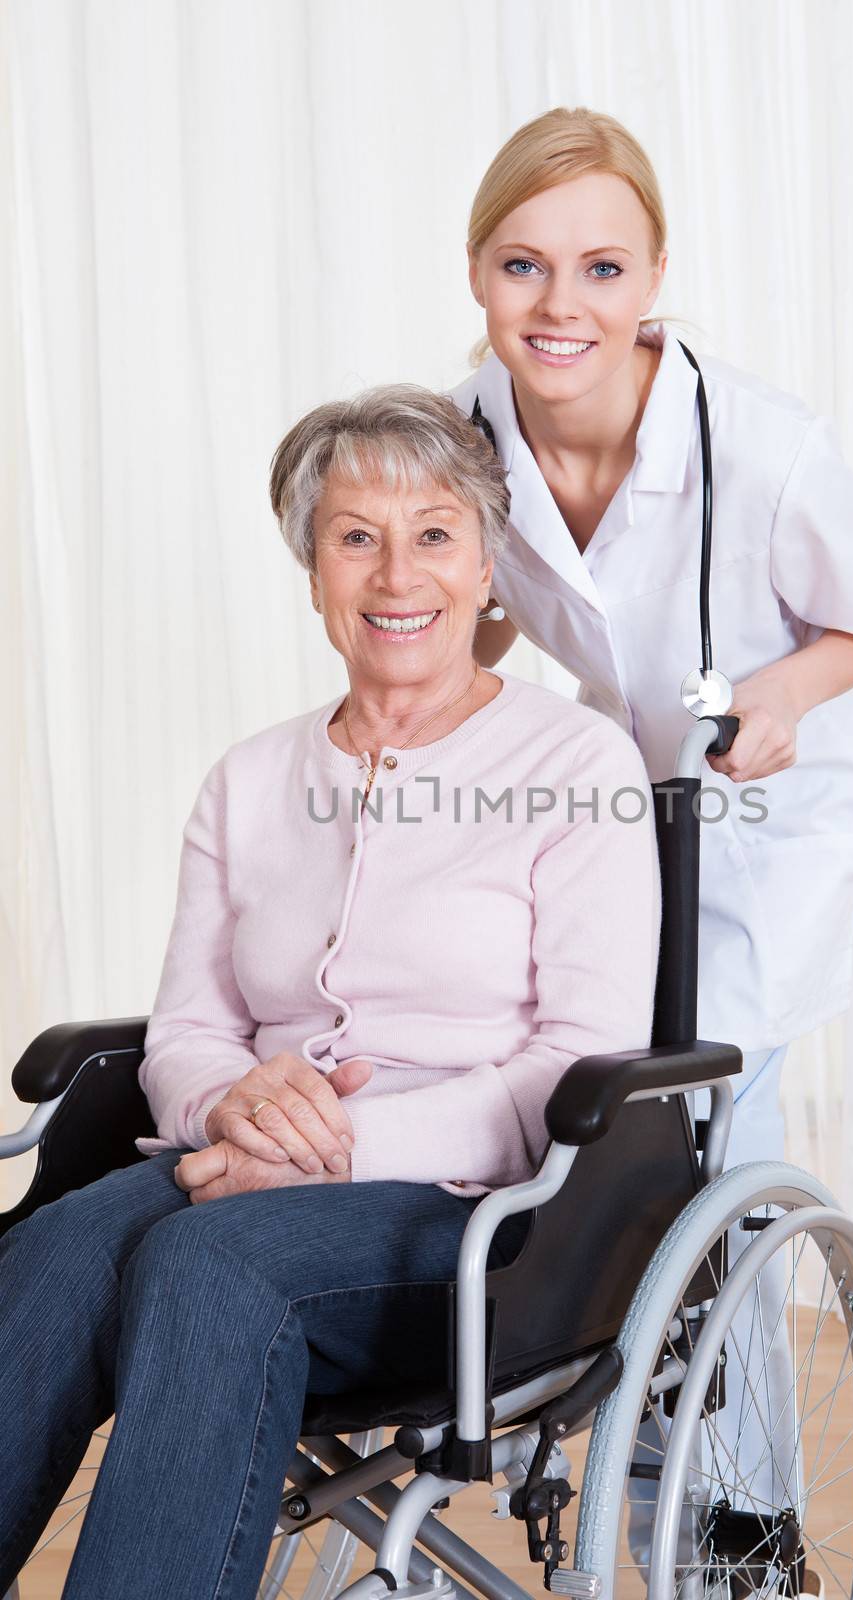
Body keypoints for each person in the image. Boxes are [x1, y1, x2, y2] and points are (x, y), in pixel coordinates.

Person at [0, 385, 661, 1600]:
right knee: (56, 1249)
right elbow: (192, 1026)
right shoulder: (249, 781)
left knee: (209, 1265)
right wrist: (235, 1105)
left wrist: (342, 1143)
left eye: (432, 533)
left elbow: (583, 1055)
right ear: (313, 572)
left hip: (483, 1215)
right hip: (239, 1159)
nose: (393, 571)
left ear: (485, 568)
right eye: (354, 535)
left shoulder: (574, 763)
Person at [449, 106, 853, 1558]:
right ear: (477, 271)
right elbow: (455, 603)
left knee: (709, 1131)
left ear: (653, 272)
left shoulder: (760, 443)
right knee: (549, 1078)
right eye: (523, 267)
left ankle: (743, 1518)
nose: (560, 306)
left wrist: (781, 691)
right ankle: (605, 1410)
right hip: (612, 809)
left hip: (762, 821)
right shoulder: (463, 427)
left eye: (600, 269)